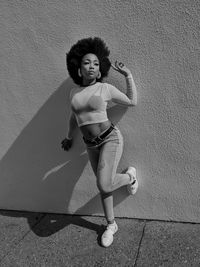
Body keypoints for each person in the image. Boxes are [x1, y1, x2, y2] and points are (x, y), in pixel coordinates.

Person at [61, 37, 138, 247]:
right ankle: (111, 224)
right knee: (105, 188)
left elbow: (132, 101)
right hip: (90, 145)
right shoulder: (73, 93)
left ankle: (130, 178)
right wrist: (69, 137)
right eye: (87, 62)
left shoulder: (105, 88)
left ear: (100, 68)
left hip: (110, 139)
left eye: (96, 63)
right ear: (78, 68)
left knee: (104, 183)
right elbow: (74, 118)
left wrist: (128, 75)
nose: (91, 66)